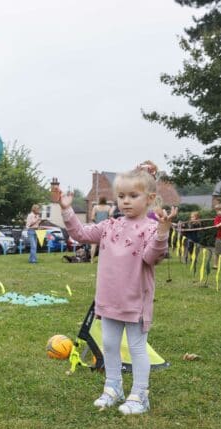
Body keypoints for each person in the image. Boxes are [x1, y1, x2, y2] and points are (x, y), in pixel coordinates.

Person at [53, 163, 178, 415]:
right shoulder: (109, 225)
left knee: (136, 347)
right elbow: (81, 234)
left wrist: (163, 231)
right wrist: (66, 210)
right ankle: (113, 388)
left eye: (133, 196)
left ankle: (140, 395)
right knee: (109, 344)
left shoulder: (151, 228)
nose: (126, 202)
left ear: (150, 199)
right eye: (121, 196)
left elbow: (152, 257)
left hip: (135, 302)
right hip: (108, 300)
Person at [90, 196, 111, 261]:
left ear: (99, 200)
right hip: (106, 227)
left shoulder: (95, 207)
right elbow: (110, 217)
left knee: (94, 244)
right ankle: (106, 259)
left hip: (97, 227)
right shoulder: (108, 207)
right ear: (105, 200)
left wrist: (97, 222)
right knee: (107, 244)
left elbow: (92, 218)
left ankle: (92, 260)